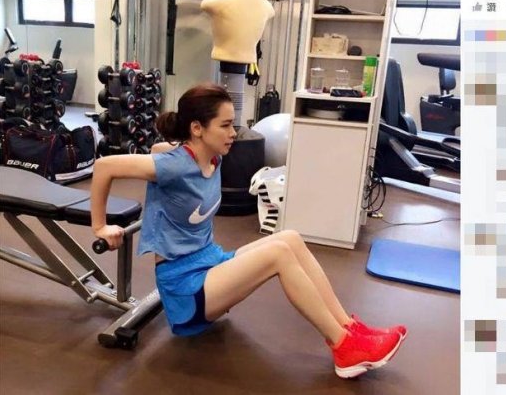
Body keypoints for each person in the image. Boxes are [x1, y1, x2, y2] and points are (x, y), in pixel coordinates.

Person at [90, 83, 407, 379]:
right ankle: (343, 347)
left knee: (290, 238)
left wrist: (170, 146)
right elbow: (105, 167)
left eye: (233, 124)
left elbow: (162, 147)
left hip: (209, 262)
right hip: (185, 288)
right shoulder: (172, 165)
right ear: (197, 129)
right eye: (225, 125)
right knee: (278, 253)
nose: (233, 133)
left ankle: (350, 328)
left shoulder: (211, 158)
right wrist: (101, 225)